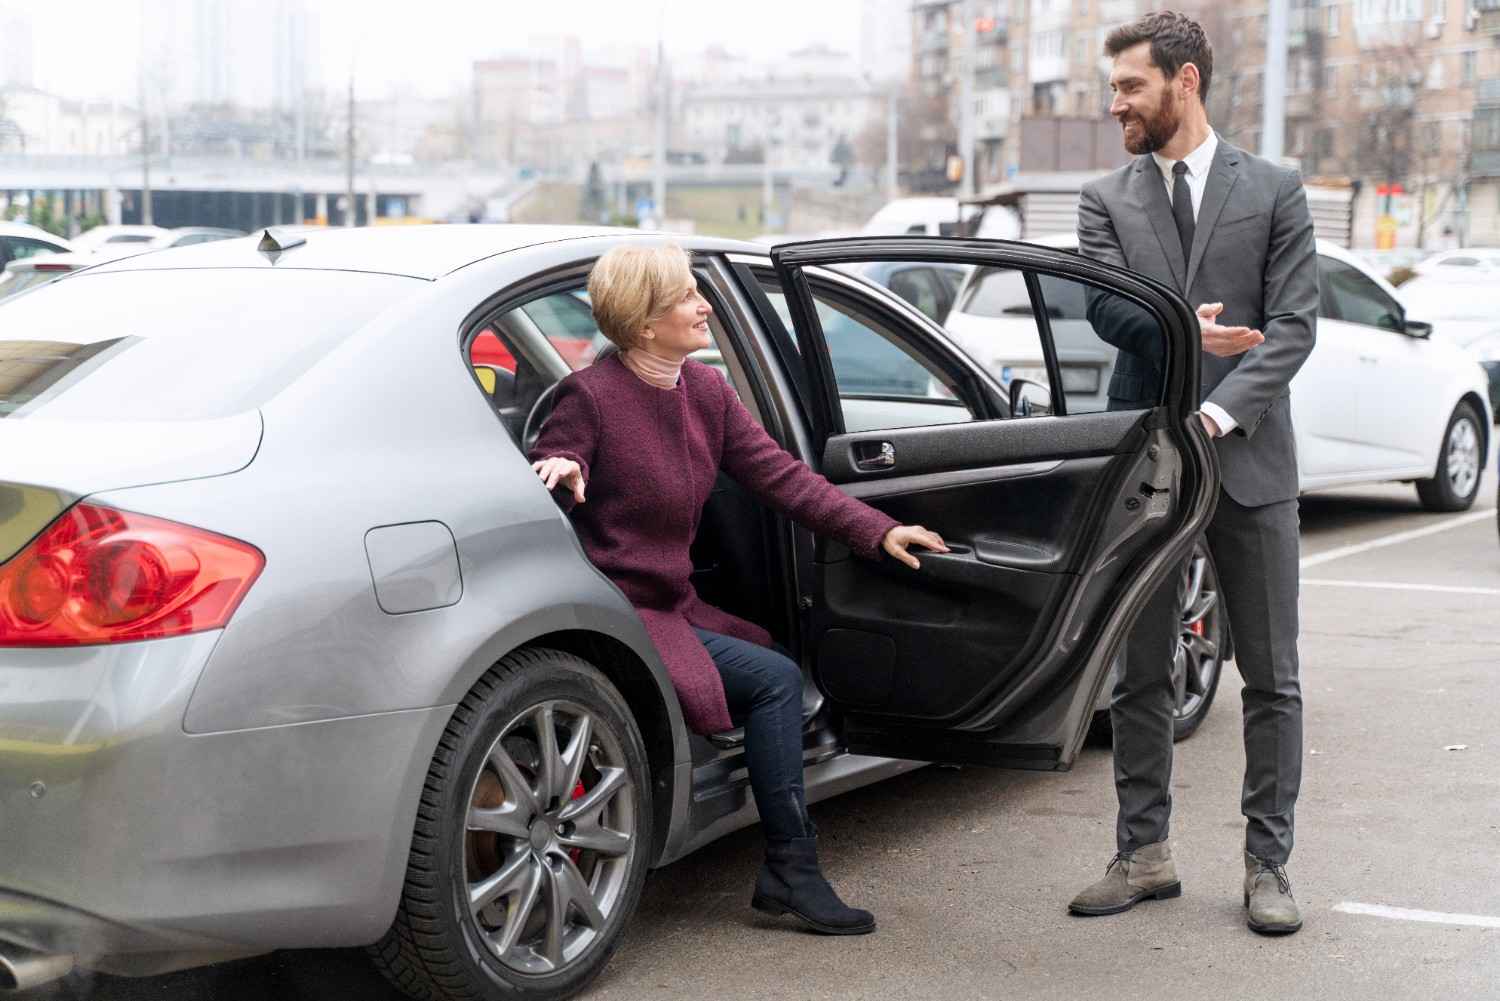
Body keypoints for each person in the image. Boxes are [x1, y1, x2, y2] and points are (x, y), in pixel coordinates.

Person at [528, 242, 948, 935]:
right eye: (687, 297)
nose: (705, 306)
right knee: (775, 680)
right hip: (621, 613)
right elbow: (556, 456)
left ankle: (790, 866)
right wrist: (562, 465)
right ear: (643, 321)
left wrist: (878, 531)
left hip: (674, 603)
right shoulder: (591, 396)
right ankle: (792, 868)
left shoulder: (706, 391)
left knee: (775, 666)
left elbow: (785, 479)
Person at [1066, 11, 1317, 935]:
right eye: (1113, 87)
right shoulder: (1104, 198)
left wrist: (1217, 410)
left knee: (1272, 676)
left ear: (1186, 81)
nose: (1116, 103)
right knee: (1143, 670)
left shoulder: (1276, 188)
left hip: (1249, 457)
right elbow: (1103, 307)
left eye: (1131, 85)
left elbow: (1293, 327)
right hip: (1151, 466)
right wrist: (1183, 330)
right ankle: (1144, 854)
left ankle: (1268, 864)